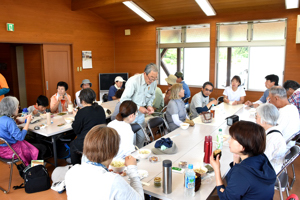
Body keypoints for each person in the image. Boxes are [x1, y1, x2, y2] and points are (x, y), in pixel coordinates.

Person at [65, 125, 144, 200]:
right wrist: (132, 169)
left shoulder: (71, 172)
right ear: (114, 151)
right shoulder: (113, 181)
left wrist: (107, 173)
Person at [210, 121, 276, 200]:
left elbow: (226, 197)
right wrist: (236, 162)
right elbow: (235, 182)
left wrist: (217, 169)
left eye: (232, 138)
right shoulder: (262, 157)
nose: (229, 141)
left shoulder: (242, 172)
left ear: (243, 146)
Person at [120, 63, 157, 148]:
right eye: (151, 77)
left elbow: (151, 96)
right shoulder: (133, 81)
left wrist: (149, 106)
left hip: (141, 115)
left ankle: (139, 156)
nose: (152, 81)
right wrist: (138, 107)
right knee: (131, 140)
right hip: (130, 115)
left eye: (155, 78)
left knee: (141, 138)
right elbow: (124, 99)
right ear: (145, 74)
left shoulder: (153, 83)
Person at [0, 96, 40, 166]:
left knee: (32, 143)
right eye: (17, 107)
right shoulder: (9, 121)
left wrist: (17, 121)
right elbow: (20, 137)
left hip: (2, 150)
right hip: (11, 151)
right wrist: (28, 122)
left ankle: (33, 167)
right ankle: (35, 169)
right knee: (38, 148)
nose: (18, 109)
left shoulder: (2, 118)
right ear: (11, 108)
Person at [70, 88, 106, 165]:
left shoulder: (82, 112)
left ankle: (75, 167)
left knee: (73, 145)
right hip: (100, 140)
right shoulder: (100, 108)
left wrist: (76, 117)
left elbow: (76, 130)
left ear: (82, 100)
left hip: (87, 143)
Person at [256, 104, 286, 173]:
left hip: (269, 171)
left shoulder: (271, 139)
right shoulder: (274, 130)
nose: (255, 120)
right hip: (271, 165)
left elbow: (260, 162)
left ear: (264, 120)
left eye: (256, 117)